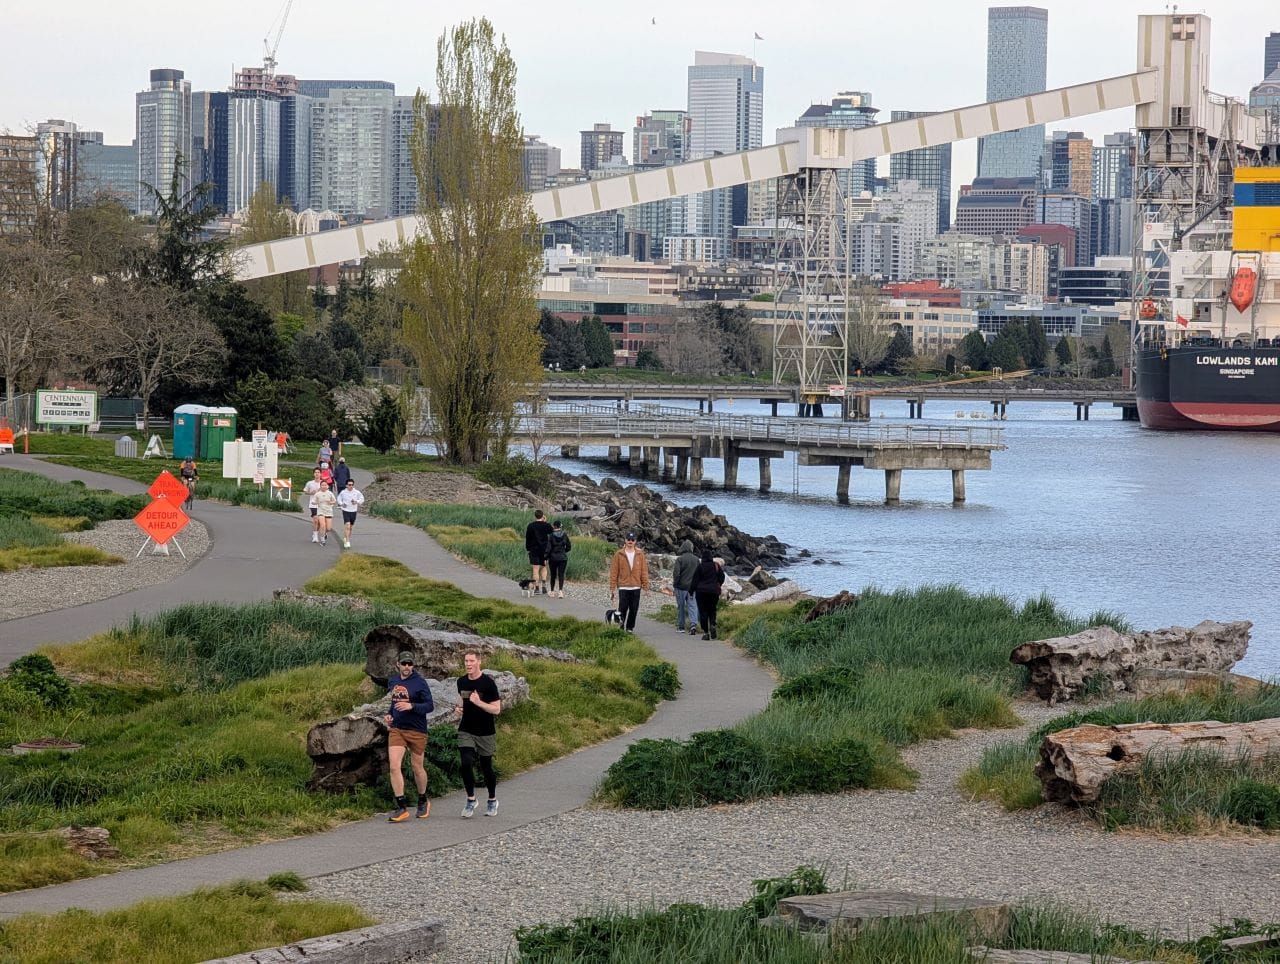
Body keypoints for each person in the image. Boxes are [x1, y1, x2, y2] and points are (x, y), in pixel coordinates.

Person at [383, 650, 434, 822]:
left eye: (409, 664)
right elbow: (394, 702)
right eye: (403, 663)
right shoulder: (393, 681)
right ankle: (401, 806)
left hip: (417, 730)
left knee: (417, 767)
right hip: (397, 728)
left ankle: (422, 799)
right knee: (394, 766)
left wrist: (411, 706)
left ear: (413, 665)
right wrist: (389, 715)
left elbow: (429, 706)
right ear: (397, 664)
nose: (406, 667)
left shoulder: (419, 682)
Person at [452, 651, 502, 818]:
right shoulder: (461, 681)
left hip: (485, 731)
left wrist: (479, 702)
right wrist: (458, 709)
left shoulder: (488, 683)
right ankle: (471, 799)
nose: (468, 664)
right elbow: (462, 700)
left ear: (479, 662)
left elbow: (497, 709)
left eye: (471, 660)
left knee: (486, 767)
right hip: (466, 729)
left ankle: (492, 799)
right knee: (466, 762)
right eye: (466, 661)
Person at [608, 531, 649, 633]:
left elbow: (644, 571)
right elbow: (614, 571)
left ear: (635, 541)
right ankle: (620, 628)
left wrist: (645, 586)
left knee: (634, 609)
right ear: (625, 540)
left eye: (633, 540)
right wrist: (612, 588)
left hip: (636, 586)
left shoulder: (640, 554)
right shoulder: (619, 554)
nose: (630, 541)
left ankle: (630, 628)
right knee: (622, 609)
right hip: (623, 586)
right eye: (628, 539)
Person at [693, 549, 725, 640]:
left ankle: (706, 633)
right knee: (712, 610)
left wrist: (691, 591)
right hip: (714, 591)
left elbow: (695, 580)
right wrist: (718, 584)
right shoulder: (716, 566)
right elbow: (722, 577)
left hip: (701, 592)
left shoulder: (700, 566)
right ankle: (712, 624)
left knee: (703, 612)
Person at [672, 539, 700, 635]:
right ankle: (693, 625)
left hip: (681, 587)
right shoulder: (696, 559)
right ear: (691, 548)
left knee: (681, 607)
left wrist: (675, 584)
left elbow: (676, 574)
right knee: (692, 606)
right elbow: (699, 574)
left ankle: (681, 627)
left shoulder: (680, 559)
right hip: (692, 588)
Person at [524, 509, 554, 595]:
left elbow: (528, 538)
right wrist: (545, 521)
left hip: (534, 550)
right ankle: (544, 585)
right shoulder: (546, 525)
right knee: (544, 567)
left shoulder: (530, 526)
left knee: (535, 569)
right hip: (544, 550)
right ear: (542, 516)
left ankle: (537, 587)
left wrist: (528, 548)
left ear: (535, 516)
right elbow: (551, 531)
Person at [544, 520, 572, 598]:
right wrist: (563, 551)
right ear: (560, 526)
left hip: (553, 558)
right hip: (563, 558)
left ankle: (552, 591)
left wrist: (545, 557)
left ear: (554, 526)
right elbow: (569, 547)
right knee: (561, 575)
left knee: (553, 575)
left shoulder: (551, 536)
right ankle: (560, 592)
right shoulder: (564, 535)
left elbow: (548, 548)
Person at [336, 479, 365, 549]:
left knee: (351, 527)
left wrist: (356, 501)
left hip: (353, 511)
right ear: (346, 485)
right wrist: (342, 504)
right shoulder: (343, 492)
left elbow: (362, 499)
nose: (351, 486)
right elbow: (338, 499)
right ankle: (348, 542)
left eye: (352, 485)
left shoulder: (356, 492)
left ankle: (346, 538)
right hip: (346, 510)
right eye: (349, 485)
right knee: (347, 525)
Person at [302, 469, 324, 543]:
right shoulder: (310, 483)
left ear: (321, 474)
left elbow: (327, 492)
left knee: (320, 522)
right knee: (315, 520)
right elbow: (305, 491)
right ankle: (315, 536)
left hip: (322, 505)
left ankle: (317, 532)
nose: (317, 474)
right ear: (313, 474)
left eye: (318, 472)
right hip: (313, 504)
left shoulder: (323, 483)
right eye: (315, 472)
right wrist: (310, 493)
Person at [314, 480, 337, 546]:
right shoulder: (317, 494)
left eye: (325, 485)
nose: (323, 486)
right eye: (322, 485)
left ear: (327, 486)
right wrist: (316, 502)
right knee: (322, 525)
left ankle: (324, 533)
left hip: (329, 511)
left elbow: (334, 501)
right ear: (320, 486)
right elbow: (313, 502)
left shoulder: (330, 493)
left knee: (329, 528)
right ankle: (322, 540)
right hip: (320, 511)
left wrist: (330, 502)